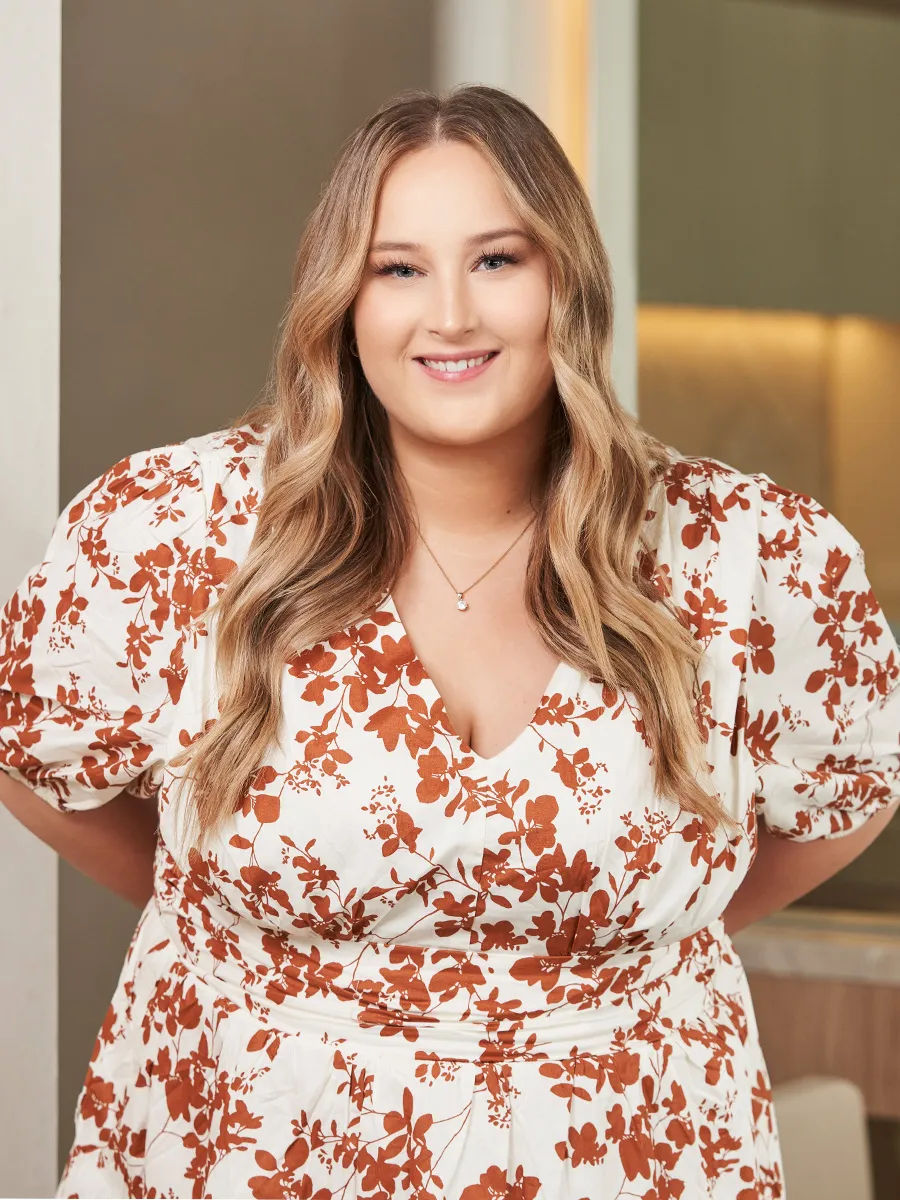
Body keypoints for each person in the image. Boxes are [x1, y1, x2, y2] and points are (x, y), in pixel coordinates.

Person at [1, 83, 898, 1200]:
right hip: (249, 1149)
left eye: (497, 260)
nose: (452, 318)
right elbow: (41, 763)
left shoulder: (752, 555)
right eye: (399, 268)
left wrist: (596, 949)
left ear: (566, 277)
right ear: (343, 298)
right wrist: (270, 926)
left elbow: (845, 797)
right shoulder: (169, 530)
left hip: (635, 1156)